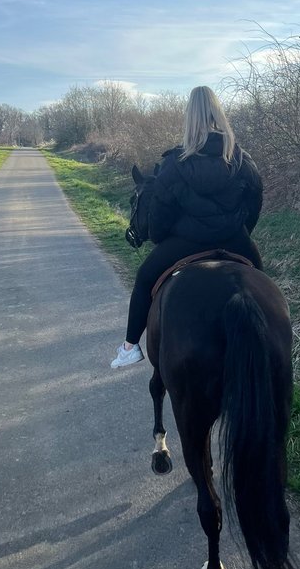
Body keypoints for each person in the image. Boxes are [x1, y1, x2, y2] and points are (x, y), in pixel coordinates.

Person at [111, 85, 264, 368]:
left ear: (189, 119)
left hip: (187, 241)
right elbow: (255, 200)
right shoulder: (242, 159)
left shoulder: (175, 163)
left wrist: (161, 237)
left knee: (145, 277)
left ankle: (130, 346)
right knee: (263, 285)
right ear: (220, 114)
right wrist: (241, 231)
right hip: (234, 239)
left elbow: (159, 215)